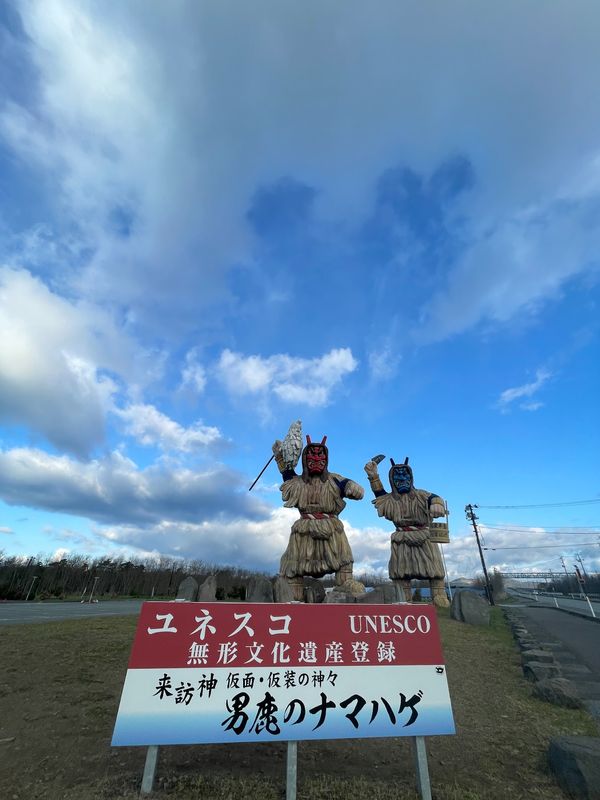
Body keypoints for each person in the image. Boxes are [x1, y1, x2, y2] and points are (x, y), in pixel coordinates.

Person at [273, 435, 364, 601]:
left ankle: (346, 581)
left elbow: (349, 485)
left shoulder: (334, 479)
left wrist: (354, 488)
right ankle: (293, 592)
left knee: (343, 558)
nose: (315, 459)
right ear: (304, 460)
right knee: (293, 565)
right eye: (311, 455)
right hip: (304, 529)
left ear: (326, 459)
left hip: (330, 528)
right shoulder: (298, 481)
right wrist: (280, 456)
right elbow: (287, 474)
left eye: (320, 455)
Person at [364, 457, 449, 607]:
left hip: (424, 537)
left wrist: (437, 504)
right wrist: (373, 476)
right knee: (400, 572)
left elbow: (434, 498)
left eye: (405, 475)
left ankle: (439, 596)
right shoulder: (390, 499)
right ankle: (404, 599)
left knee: (434, 570)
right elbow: (380, 496)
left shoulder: (422, 495)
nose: (402, 478)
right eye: (397, 476)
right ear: (391, 479)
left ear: (411, 477)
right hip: (401, 538)